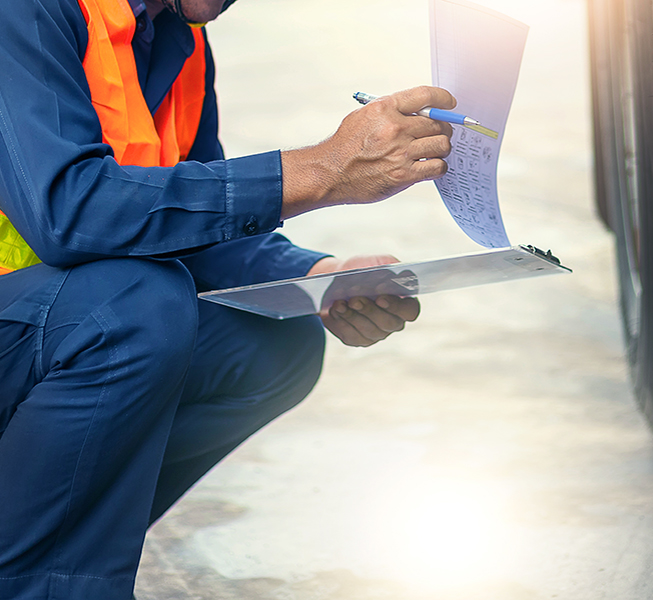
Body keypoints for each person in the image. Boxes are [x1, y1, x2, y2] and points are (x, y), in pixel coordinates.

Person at [0, 0, 455, 598]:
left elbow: (187, 221)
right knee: (134, 306)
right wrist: (321, 170)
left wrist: (319, 276)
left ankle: (39, 556)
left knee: (271, 335)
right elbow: (68, 210)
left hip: (28, 324)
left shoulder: (175, 36)